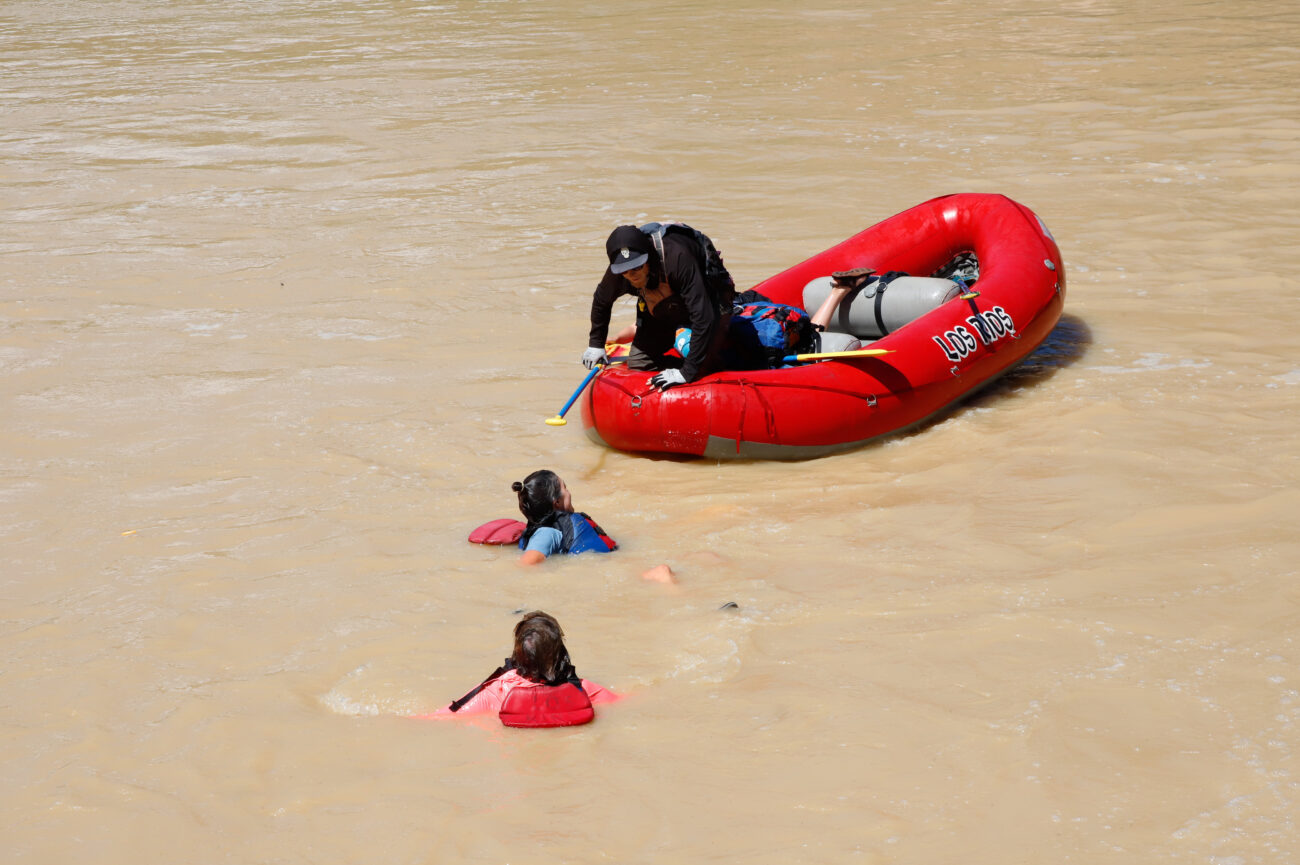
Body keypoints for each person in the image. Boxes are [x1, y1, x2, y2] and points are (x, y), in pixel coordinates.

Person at [583, 223, 735, 392]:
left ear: (648, 257)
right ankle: (679, 364)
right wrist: (595, 344)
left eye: (637, 267)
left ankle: (707, 367)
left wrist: (688, 373)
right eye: (625, 271)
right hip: (662, 305)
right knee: (639, 363)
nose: (631, 275)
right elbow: (601, 301)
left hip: (707, 296)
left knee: (706, 364)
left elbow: (704, 317)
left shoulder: (677, 257)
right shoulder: (619, 271)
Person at [415, 611, 618, 726]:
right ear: (560, 652)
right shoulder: (582, 689)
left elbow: (445, 716)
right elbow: (625, 704)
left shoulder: (498, 689)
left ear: (518, 652)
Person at [512, 469, 677, 583]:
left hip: (607, 567)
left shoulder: (545, 531)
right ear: (557, 502)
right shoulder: (547, 533)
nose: (569, 492)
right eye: (565, 488)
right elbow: (526, 564)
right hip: (610, 568)